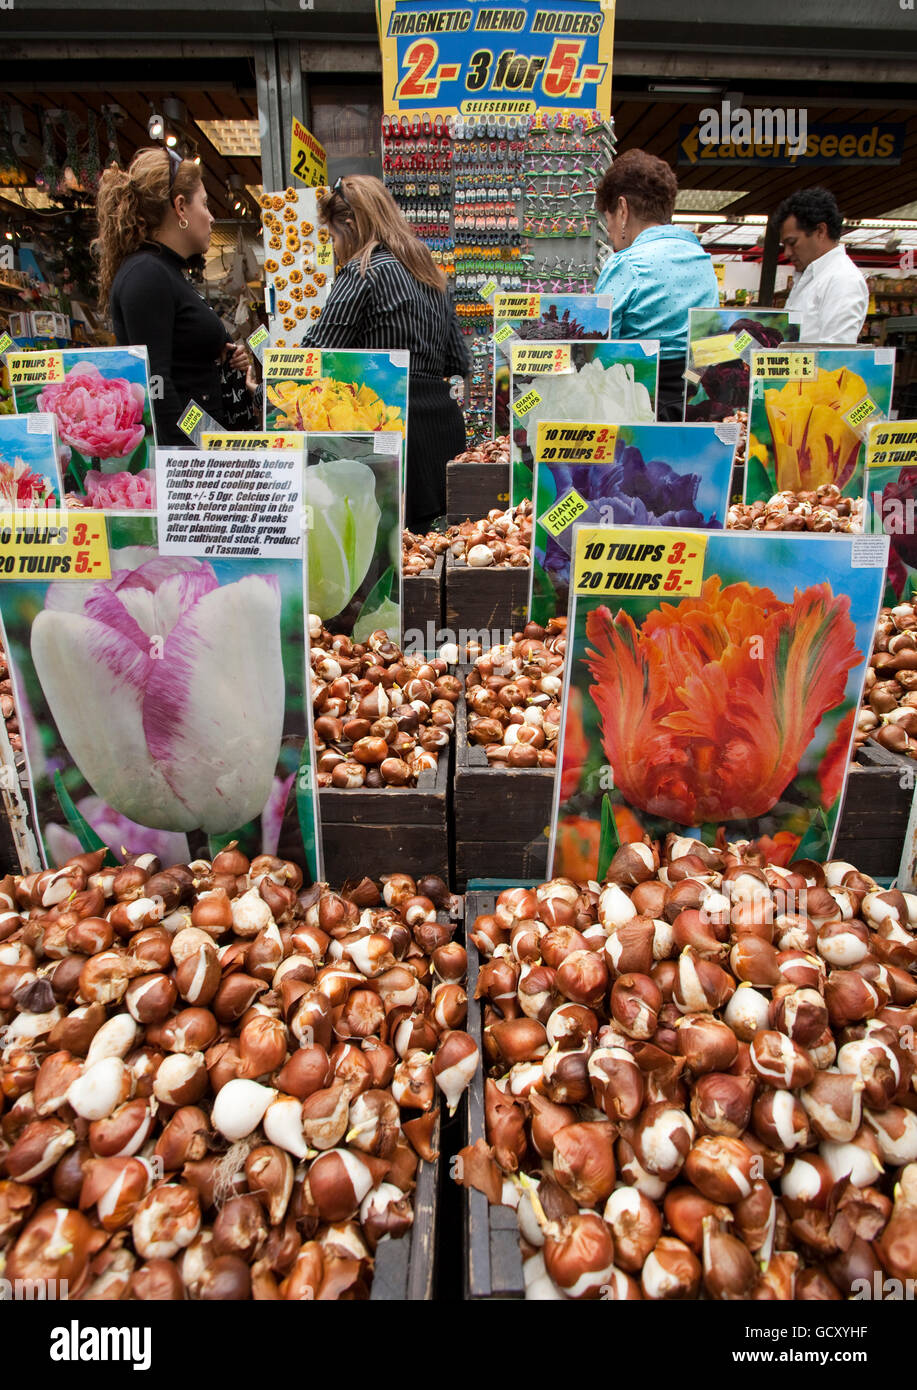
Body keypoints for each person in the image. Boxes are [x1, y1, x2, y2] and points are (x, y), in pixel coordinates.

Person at [301, 175, 468, 530]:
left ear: (350, 224)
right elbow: (458, 363)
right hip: (441, 437)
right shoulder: (430, 275)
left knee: (387, 566)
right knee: (430, 560)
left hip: (388, 440)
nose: (334, 248)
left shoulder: (363, 271)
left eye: (332, 237)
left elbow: (315, 357)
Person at [94, 147, 250, 445]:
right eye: (204, 204)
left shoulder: (162, 271)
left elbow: (172, 366)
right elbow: (157, 384)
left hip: (197, 454)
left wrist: (218, 355)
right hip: (185, 468)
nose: (212, 217)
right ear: (180, 207)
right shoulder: (148, 274)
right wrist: (190, 463)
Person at [595, 150, 719, 421]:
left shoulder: (626, 264)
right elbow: (711, 343)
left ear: (623, 209)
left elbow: (597, 352)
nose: (610, 233)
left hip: (635, 410)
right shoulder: (703, 262)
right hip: (691, 407)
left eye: (609, 220)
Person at [775, 188, 868, 344]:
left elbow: (834, 355)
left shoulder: (842, 280)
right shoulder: (810, 277)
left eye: (792, 243)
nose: (787, 253)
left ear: (820, 231)